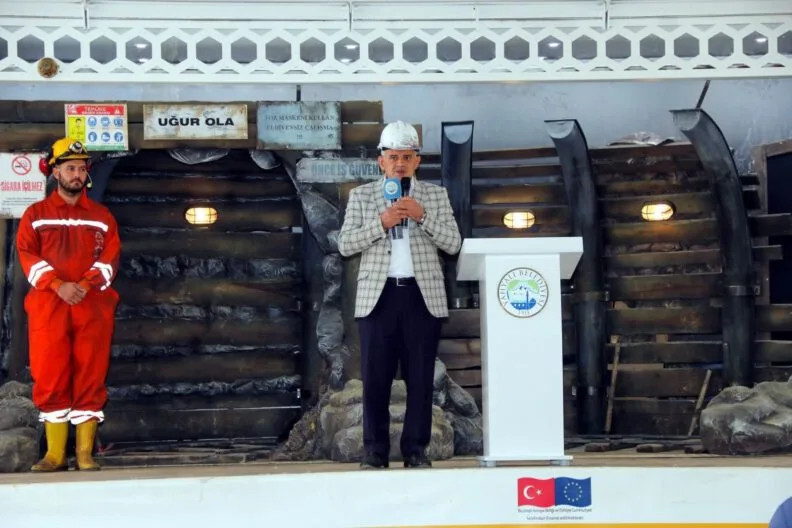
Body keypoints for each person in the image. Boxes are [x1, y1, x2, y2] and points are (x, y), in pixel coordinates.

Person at [338, 121, 462, 469]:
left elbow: (454, 243)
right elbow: (345, 244)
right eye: (393, 157)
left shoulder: (435, 196)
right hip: (378, 297)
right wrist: (381, 222)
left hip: (421, 297)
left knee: (420, 377)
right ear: (381, 161)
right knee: (375, 378)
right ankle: (375, 451)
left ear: (417, 161)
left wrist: (423, 217)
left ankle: (415, 450)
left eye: (407, 157)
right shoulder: (362, 196)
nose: (400, 163)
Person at [16, 138, 121, 472]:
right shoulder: (35, 215)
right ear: (55, 172)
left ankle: (85, 454)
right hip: (49, 306)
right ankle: (55, 455)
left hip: (92, 305)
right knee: (50, 373)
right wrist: (58, 285)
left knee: (91, 372)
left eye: (81, 168)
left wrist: (85, 285)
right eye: (70, 168)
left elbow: (110, 258)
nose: (77, 174)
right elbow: (27, 255)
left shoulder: (102, 217)